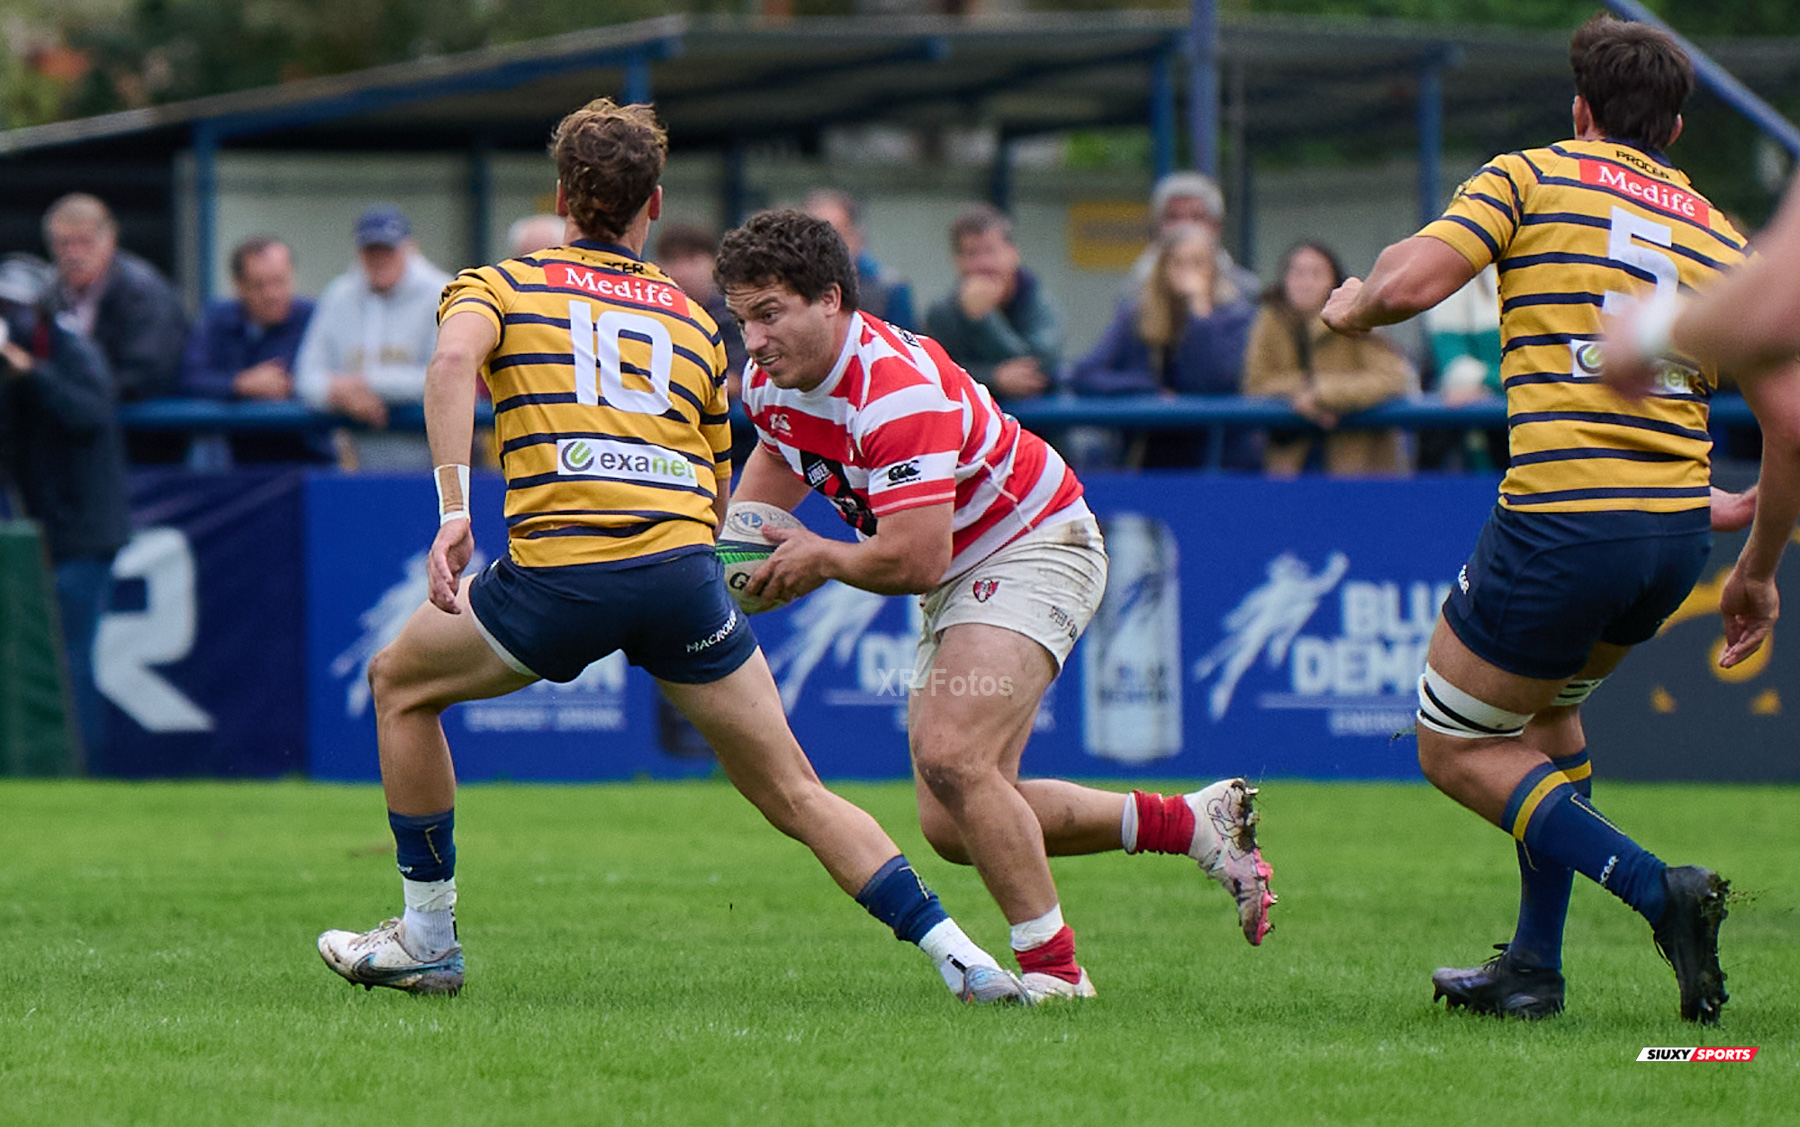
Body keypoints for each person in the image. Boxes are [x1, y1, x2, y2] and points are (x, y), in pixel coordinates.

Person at [315, 100, 1027, 1008]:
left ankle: (426, 937)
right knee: (799, 791)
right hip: (682, 579)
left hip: (560, 574)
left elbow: (453, 366)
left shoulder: (496, 285)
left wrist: (456, 508)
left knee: (399, 684)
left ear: (564, 195)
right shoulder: (698, 328)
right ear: (653, 205)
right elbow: (719, 489)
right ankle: (961, 955)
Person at [715, 209, 1275, 1004]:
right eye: (743, 319)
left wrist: (819, 557)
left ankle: (1056, 974)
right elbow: (781, 445)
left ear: (831, 299)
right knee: (952, 823)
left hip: (1034, 542)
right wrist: (739, 550)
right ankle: (1189, 824)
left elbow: (915, 557)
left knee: (951, 755)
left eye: (769, 314)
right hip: (965, 564)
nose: (755, 340)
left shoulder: (893, 392)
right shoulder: (771, 381)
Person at [1320, 13, 1746, 1024]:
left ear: (1580, 111)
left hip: (1566, 519)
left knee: (1451, 742)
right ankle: (1534, 968)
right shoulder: (1724, 235)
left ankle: (1658, 888)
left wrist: (1352, 306)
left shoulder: (1532, 174)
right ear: (1677, 131)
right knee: (1546, 715)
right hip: (1675, 539)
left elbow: (1413, 285)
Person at [0, 253, 129, 763]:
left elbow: (91, 413)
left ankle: (77, 765)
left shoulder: (72, 348)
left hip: (85, 529)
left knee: (67, 656)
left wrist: (33, 372)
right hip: (43, 527)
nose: (11, 316)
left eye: (17, 306)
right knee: (46, 657)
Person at [1069, 222, 1260, 469]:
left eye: (1198, 263)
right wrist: (1148, 389)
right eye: (1178, 263)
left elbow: (1220, 381)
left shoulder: (1236, 316)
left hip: (1217, 458)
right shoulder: (1137, 315)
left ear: (1214, 269)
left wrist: (1200, 315)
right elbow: (1085, 374)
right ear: (1163, 267)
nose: (1187, 273)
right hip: (1148, 457)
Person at [294, 206, 450, 471]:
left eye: (387, 249)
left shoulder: (442, 292)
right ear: (357, 252)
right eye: (370, 250)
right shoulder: (339, 295)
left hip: (432, 461)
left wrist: (362, 385)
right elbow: (305, 378)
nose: (379, 259)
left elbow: (446, 377)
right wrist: (337, 394)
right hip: (355, 465)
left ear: (409, 248)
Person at [42, 193, 189, 463]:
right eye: (64, 243)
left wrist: (68, 396)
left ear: (109, 240)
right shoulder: (48, 293)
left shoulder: (146, 292)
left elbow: (146, 375)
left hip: (143, 451)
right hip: (74, 446)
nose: (74, 253)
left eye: (84, 242)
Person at [1244, 241, 1411, 476]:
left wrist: (1324, 394)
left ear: (1333, 281)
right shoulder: (1269, 320)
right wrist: (1303, 392)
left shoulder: (1358, 314)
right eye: (1297, 272)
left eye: (1316, 273)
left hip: (1360, 467)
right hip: (1290, 467)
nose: (1305, 282)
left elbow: (1393, 378)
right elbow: (1256, 383)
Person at [177, 236, 327, 464]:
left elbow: (320, 381)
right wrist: (240, 384)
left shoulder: (313, 316)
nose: (271, 294)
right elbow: (188, 378)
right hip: (234, 464)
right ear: (238, 285)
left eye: (279, 282)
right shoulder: (217, 317)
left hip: (307, 458)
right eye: (259, 285)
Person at [923, 204, 1060, 403]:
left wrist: (983, 319)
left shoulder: (1040, 303)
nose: (983, 263)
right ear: (957, 260)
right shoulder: (941, 312)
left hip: (1038, 426)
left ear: (1014, 253)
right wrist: (993, 378)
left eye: (991, 251)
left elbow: (1036, 369)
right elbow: (934, 374)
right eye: (972, 253)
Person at [656, 222, 753, 468]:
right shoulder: (648, 316)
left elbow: (738, 379)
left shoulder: (733, 314)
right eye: (672, 259)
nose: (681, 270)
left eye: (692, 258)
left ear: (713, 264)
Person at [1126, 171, 1261, 300]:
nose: (1185, 226)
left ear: (1216, 227)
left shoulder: (1246, 290)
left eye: (1197, 217)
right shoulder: (1135, 287)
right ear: (1156, 227)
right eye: (1173, 217)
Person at [804, 189, 915, 331]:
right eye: (813, 238)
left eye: (835, 236)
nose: (823, 248)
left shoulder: (889, 289)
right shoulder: (796, 286)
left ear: (856, 234)